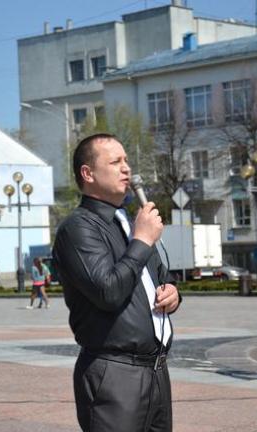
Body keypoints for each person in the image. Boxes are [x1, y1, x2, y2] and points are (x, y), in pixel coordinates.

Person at [52, 133, 181, 432]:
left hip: (156, 370)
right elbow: (108, 291)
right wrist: (142, 240)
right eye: (115, 162)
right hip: (114, 373)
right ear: (88, 173)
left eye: (126, 160)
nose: (127, 169)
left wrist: (173, 293)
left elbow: (160, 276)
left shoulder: (129, 224)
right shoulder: (78, 228)